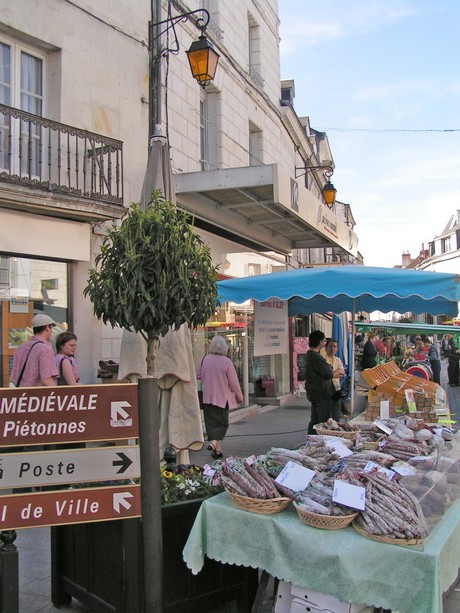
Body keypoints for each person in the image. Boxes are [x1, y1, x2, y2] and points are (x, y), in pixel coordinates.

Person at [197, 336, 243, 459]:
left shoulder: (204, 359)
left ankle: (217, 451)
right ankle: (213, 443)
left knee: (211, 424)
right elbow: (234, 383)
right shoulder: (226, 362)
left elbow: (198, 375)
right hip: (222, 399)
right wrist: (240, 397)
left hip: (207, 397)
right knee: (222, 424)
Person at [305, 330, 344, 435]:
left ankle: (312, 438)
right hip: (321, 393)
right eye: (324, 340)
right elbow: (329, 372)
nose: (325, 342)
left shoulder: (312, 356)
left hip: (315, 392)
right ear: (320, 342)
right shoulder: (316, 357)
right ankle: (317, 440)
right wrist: (333, 371)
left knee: (315, 419)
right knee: (322, 420)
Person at [10, 313, 58, 387]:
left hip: (21, 395)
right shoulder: (45, 349)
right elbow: (46, 379)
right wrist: (59, 394)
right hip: (39, 396)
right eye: (51, 327)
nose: (51, 331)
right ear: (47, 328)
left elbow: (14, 378)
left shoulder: (20, 348)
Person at [321, 338, 345, 421]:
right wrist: (335, 373)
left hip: (336, 389)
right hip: (325, 390)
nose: (332, 348)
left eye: (335, 347)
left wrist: (330, 374)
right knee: (325, 413)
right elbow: (323, 375)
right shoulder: (322, 360)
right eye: (330, 346)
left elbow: (342, 372)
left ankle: (335, 430)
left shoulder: (338, 360)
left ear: (337, 348)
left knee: (336, 412)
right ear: (326, 347)